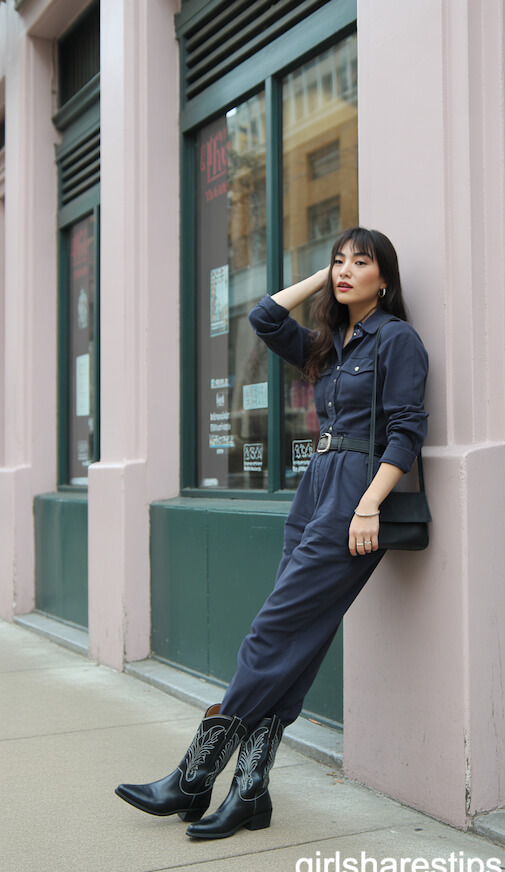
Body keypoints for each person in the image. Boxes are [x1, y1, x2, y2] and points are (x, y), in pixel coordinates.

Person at [116, 226, 429, 840]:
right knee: (300, 643)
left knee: (274, 630)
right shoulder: (331, 343)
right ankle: (250, 793)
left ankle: (193, 774)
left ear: (385, 278)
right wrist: (324, 283)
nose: (344, 271)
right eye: (337, 262)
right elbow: (263, 317)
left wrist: (368, 506)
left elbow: (408, 429)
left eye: (359, 263)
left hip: (354, 491)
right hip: (316, 487)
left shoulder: (397, 340)